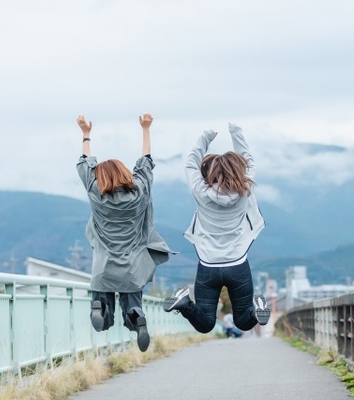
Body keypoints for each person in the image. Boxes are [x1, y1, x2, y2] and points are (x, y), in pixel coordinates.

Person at [76, 113, 173, 352]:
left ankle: (100, 307)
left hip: (103, 267)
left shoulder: (95, 193)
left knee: (103, 317)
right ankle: (136, 314)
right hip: (131, 268)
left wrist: (86, 134)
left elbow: (84, 164)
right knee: (131, 304)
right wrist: (146, 129)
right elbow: (146, 161)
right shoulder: (140, 192)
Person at [162, 123, 271, 334]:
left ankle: (185, 304)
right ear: (239, 170)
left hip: (208, 266)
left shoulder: (200, 191)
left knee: (206, 323)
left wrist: (206, 136)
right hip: (237, 264)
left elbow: (190, 163)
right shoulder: (245, 190)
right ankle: (256, 311)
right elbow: (248, 159)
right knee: (243, 321)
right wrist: (236, 132)